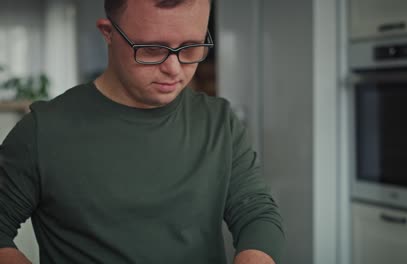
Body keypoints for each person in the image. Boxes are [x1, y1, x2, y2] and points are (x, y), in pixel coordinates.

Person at [0, 0, 285, 263]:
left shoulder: (220, 123)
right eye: (152, 50)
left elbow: (256, 213)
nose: (174, 69)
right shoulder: (42, 131)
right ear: (108, 33)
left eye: (190, 48)